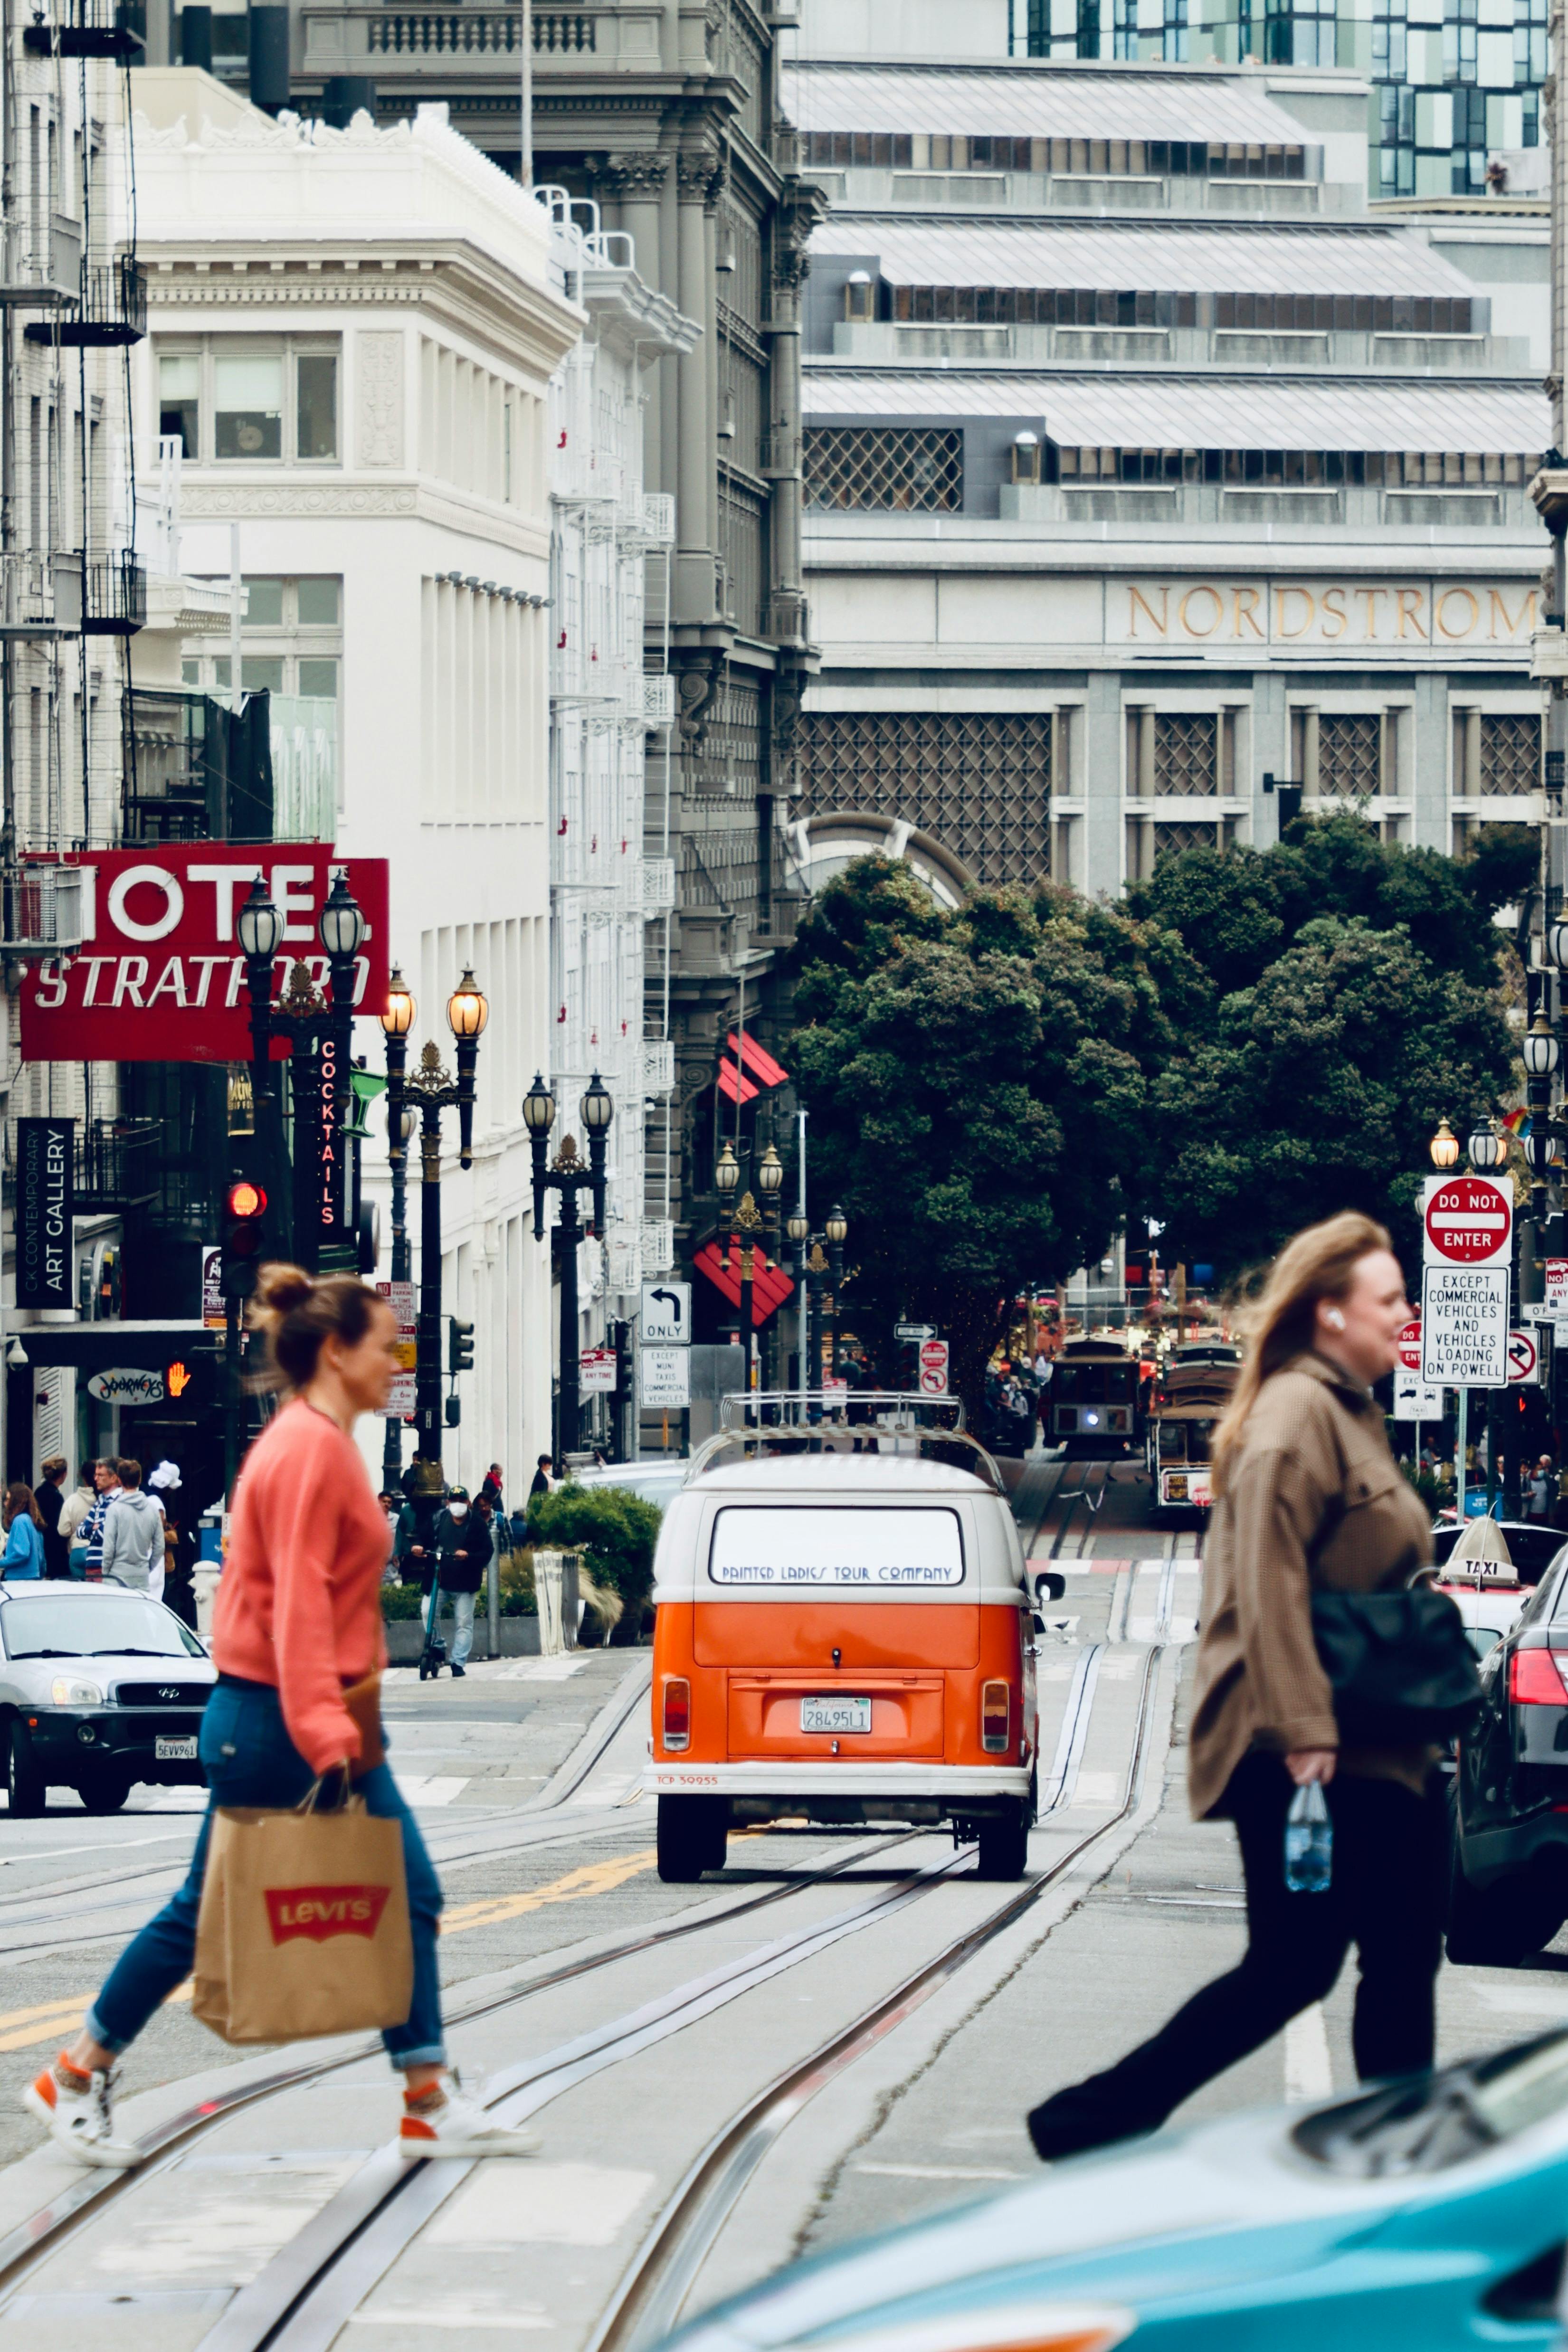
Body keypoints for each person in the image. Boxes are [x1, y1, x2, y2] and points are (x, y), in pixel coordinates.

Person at [24, 1262, 540, 2169]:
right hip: (289, 1720)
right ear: (337, 1352)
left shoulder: (310, 1440)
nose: (397, 1363)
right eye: (385, 1347)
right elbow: (298, 1602)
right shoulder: (310, 1450)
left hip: (292, 1716)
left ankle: (423, 2092)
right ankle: (79, 2072)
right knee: (250, 1909)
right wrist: (332, 1735)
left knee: (313, 1901)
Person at [1026, 1212, 1442, 2163]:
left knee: (1398, 1951)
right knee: (1301, 1963)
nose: (1406, 1314)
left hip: (1375, 1733)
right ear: (1331, 1313)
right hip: (1312, 1744)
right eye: (1388, 1300)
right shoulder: (1296, 1417)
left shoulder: (1347, 1412)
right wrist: (1304, 1731)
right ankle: (1091, 2119)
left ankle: (1397, 2155)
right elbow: (1266, 1576)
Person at [433, 1486, 492, 1677]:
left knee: (464, 1623)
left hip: (466, 1584)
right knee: (428, 1612)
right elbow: (426, 1538)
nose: (458, 1504)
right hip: (441, 1580)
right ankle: (437, 1645)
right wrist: (418, 1547)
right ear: (448, 1502)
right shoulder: (440, 1519)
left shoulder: (477, 1525)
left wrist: (469, 1556)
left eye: (462, 1500)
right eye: (454, 1500)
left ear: (469, 1503)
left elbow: (487, 1552)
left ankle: (458, 1662)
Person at [101, 1461, 167, 1599]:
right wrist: (147, 1567)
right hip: (141, 1575)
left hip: (116, 1575)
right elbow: (160, 1547)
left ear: (119, 1480)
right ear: (140, 1480)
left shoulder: (114, 1510)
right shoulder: (152, 1510)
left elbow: (109, 1549)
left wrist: (106, 1573)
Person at [79, 1459, 124, 1583]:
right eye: (95, 1475)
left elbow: (107, 1532)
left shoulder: (120, 1501)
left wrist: (93, 1529)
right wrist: (93, 1528)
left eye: (101, 1475)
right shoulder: (100, 1501)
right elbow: (80, 1531)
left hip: (106, 1565)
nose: (95, 1479)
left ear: (114, 1478)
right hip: (91, 1564)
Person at [57, 1463, 97, 1577]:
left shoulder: (72, 1500)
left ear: (83, 1478)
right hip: (98, 1552)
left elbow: (63, 1530)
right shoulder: (103, 1500)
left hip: (78, 1550)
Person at [1, 1485, 45, 1580]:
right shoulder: (33, 1521)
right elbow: (42, 1558)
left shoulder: (19, 1521)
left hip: (19, 1578)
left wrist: (1, 1563)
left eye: (8, 1499)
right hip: (34, 1577)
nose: (5, 1504)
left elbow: (21, 1553)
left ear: (16, 1501)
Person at [35, 1457, 68, 1579]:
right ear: (64, 1474)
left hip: (42, 1543)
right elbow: (59, 1525)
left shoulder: (38, 1492)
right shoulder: (56, 1497)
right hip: (55, 1548)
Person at [1529, 1455, 1555, 1525]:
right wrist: (1528, 1495)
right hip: (1530, 1514)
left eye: (1541, 1470)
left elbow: (1551, 1495)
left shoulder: (1546, 1479)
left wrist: (1551, 1515)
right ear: (1534, 1470)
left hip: (1544, 1514)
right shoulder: (1527, 1480)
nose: (1540, 1472)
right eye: (1538, 1470)